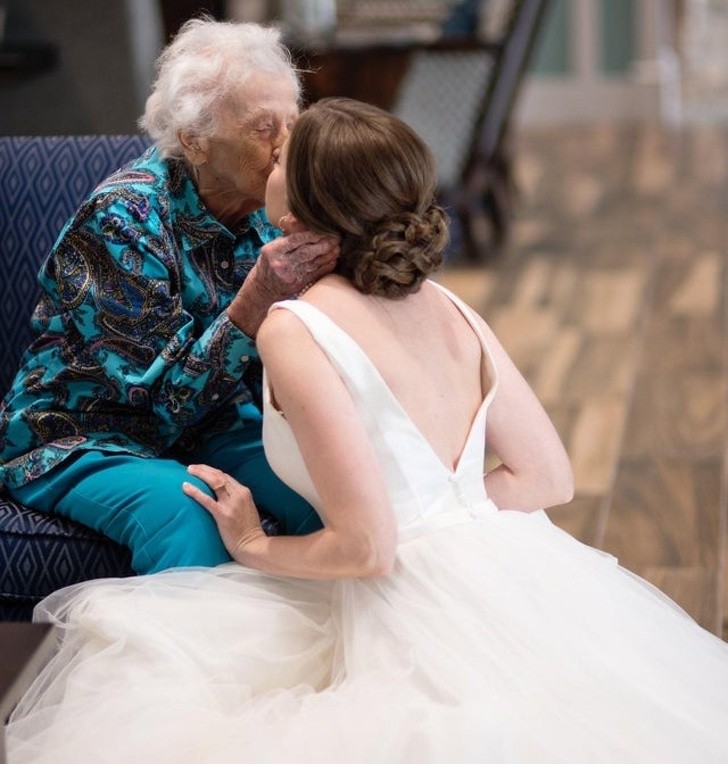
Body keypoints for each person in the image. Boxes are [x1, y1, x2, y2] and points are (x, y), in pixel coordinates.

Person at [7, 98, 728, 763]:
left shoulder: (294, 328)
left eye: (287, 155)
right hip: (522, 570)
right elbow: (548, 476)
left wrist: (255, 545)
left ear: (303, 206)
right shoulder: (448, 305)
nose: (272, 159)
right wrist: (450, 521)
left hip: (406, 605)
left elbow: (370, 546)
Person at [0, 19, 338, 574]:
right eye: (261, 128)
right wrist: (255, 301)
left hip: (214, 424)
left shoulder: (273, 210)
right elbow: (157, 409)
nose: (285, 148)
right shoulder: (123, 221)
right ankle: (193, 663)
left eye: (292, 124)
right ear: (194, 140)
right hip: (86, 434)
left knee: (329, 492)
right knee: (190, 514)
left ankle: (333, 659)